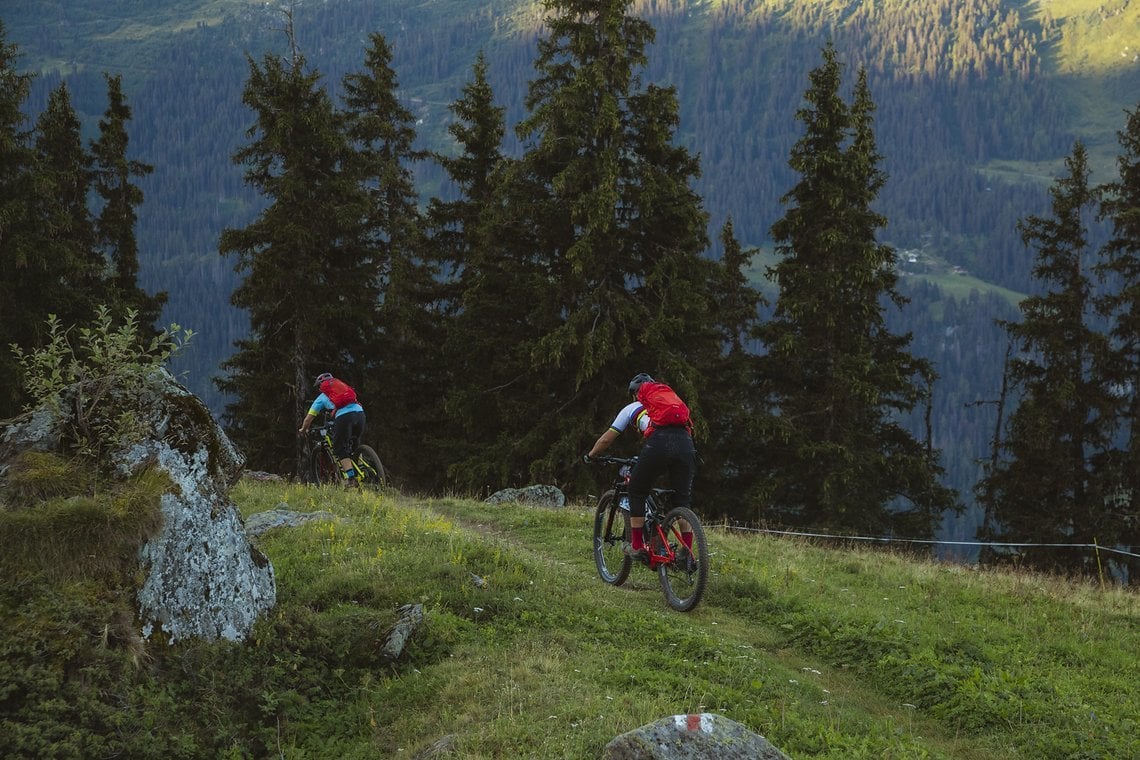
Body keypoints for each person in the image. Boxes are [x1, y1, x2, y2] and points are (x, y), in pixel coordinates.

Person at [583, 372, 697, 562]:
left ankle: (637, 546)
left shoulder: (632, 408)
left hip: (659, 443)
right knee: (682, 499)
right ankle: (687, 554)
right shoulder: (668, 404)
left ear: (635, 394)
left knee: (635, 490)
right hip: (686, 443)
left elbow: (607, 439)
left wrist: (590, 455)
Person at [298, 372, 366, 486]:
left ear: (321, 386)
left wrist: (303, 429)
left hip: (344, 416)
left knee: (340, 448)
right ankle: (362, 468)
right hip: (360, 413)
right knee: (355, 442)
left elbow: (308, 419)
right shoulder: (343, 388)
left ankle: (351, 480)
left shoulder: (322, 397)